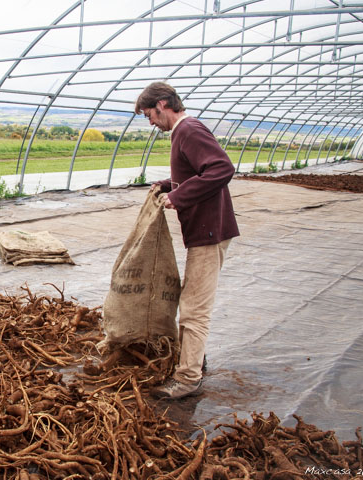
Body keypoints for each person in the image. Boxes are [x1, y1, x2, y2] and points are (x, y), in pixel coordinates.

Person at [135, 82, 240, 400]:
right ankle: (193, 358)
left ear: (163, 104)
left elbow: (221, 168)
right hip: (204, 229)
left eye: (149, 115)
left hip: (209, 232)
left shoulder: (188, 129)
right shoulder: (182, 133)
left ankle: (188, 378)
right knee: (191, 302)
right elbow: (197, 172)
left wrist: (179, 196)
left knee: (194, 308)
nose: (151, 123)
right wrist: (169, 185)